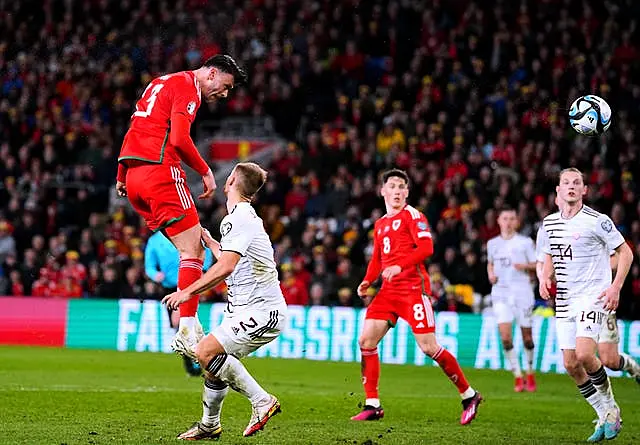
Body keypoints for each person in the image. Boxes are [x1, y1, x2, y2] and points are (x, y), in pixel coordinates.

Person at [116, 54, 247, 355]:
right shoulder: (189, 87)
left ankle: (187, 323)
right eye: (225, 86)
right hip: (160, 171)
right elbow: (178, 138)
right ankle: (187, 328)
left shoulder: (158, 83)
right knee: (193, 251)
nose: (224, 94)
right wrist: (205, 170)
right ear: (211, 73)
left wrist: (122, 174)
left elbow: (134, 129)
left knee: (189, 242)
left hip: (134, 176)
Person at [162, 162, 286, 439]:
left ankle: (262, 400)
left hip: (262, 311)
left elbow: (227, 267)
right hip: (245, 310)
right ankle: (209, 425)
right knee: (213, 364)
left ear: (230, 180)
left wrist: (187, 292)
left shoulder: (237, 218)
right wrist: (210, 241)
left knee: (205, 352)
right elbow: (232, 260)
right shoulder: (243, 218)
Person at [352, 169, 482, 425]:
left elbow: (426, 247)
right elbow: (377, 259)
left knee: (428, 347)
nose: (397, 191)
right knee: (366, 341)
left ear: (407, 192)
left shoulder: (413, 216)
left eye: (402, 186)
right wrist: (368, 281)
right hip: (388, 292)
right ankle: (372, 405)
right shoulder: (380, 225)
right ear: (383, 191)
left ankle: (469, 395)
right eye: (393, 186)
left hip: (413, 290)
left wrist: (400, 266)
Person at [538, 168, 633, 442]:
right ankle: (602, 412)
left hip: (593, 296)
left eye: (576, 183)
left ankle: (612, 407)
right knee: (570, 364)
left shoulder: (597, 220)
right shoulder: (549, 224)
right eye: (565, 183)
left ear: (584, 191)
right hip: (565, 299)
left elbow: (625, 252)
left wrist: (615, 287)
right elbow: (549, 255)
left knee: (584, 354)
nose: (571, 187)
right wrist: (545, 277)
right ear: (557, 191)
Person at [144, 230, 215, 376]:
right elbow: (149, 266)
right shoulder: (154, 241)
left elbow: (205, 251)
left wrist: (204, 269)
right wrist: (155, 275)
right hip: (168, 287)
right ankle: (196, 358)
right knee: (181, 323)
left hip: (190, 284)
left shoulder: (186, 232)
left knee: (180, 321)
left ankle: (195, 360)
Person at [487, 207, 537, 392]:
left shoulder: (525, 243)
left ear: (517, 222)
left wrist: (524, 265)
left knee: (527, 338)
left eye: (512, 219)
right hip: (500, 292)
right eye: (505, 218)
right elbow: (490, 263)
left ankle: (530, 371)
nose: (508, 222)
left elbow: (537, 264)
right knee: (506, 338)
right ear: (499, 220)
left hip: (522, 291)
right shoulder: (492, 243)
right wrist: (491, 274)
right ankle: (517, 375)